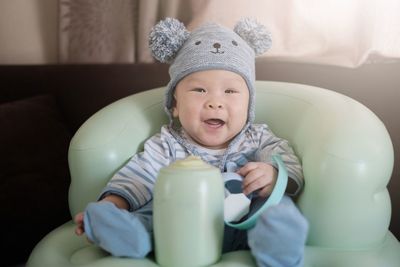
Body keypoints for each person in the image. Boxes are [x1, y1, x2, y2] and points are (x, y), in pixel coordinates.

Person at [74, 17, 308, 267]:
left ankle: (280, 245)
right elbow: (137, 178)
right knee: (152, 213)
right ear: (175, 105)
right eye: (199, 91)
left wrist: (273, 175)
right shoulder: (167, 144)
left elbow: (287, 162)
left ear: (249, 105)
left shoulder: (258, 138)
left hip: (246, 223)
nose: (215, 102)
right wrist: (112, 204)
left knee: (275, 211)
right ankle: (125, 233)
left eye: (230, 92)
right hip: (179, 231)